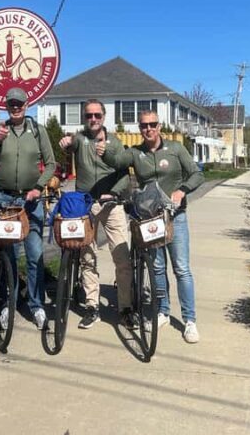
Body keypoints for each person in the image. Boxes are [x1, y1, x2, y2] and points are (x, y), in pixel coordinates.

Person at [102, 109, 203, 343]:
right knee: (157, 268)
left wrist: (182, 190)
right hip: (150, 220)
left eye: (152, 124)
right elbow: (116, 161)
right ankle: (163, 312)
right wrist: (103, 146)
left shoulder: (176, 149)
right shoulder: (136, 153)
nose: (148, 129)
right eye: (144, 125)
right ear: (140, 128)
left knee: (181, 269)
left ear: (159, 126)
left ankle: (189, 320)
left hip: (175, 216)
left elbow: (196, 175)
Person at [58, 99, 135, 329]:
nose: (93, 119)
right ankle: (92, 307)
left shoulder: (115, 142)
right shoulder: (80, 139)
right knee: (87, 257)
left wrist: (114, 193)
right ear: (84, 118)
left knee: (121, 257)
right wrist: (65, 142)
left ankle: (125, 308)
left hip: (112, 205)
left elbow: (125, 174)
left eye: (97, 115)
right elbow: (70, 144)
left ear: (104, 117)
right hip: (86, 204)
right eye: (88, 115)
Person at [0, 87, 56, 330]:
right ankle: (8, 304)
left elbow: (51, 163)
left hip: (31, 201)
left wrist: (39, 187)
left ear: (27, 105)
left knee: (34, 255)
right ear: (6, 106)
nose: (16, 107)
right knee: (8, 257)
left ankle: (37, 306)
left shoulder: (38, 130)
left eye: (19, 103)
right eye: (11, 104)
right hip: (5, 200)